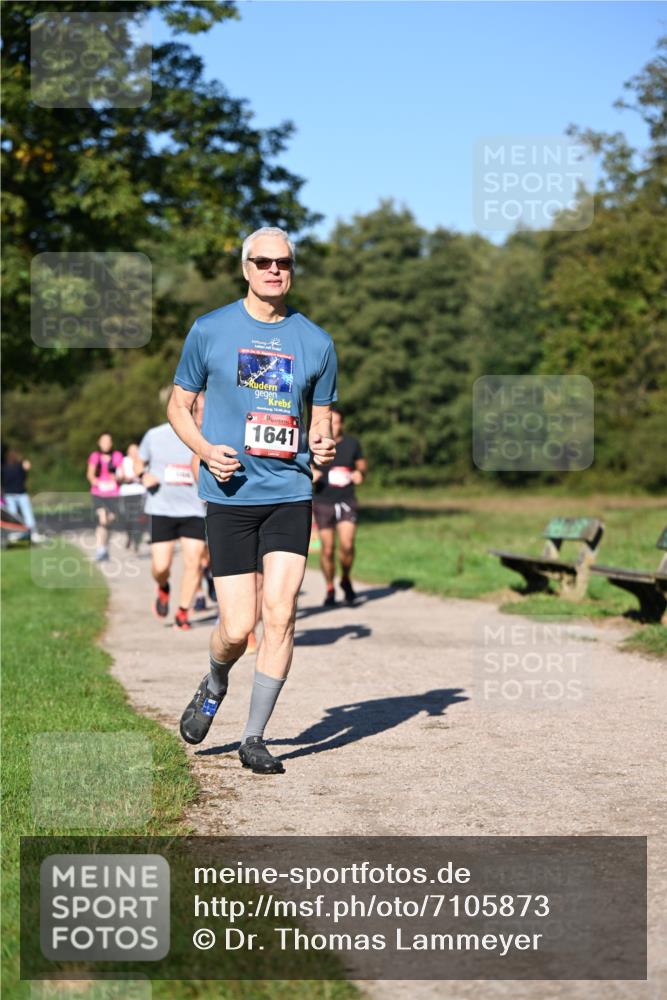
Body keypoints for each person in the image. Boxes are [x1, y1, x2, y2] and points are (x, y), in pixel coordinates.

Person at [168, 226, 337, 774]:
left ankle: (254, 737)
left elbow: (325, 418)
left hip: (290, 491)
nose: (273, 270)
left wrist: (324, 442)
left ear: (292, 269)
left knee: (281, 613)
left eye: (283, 262)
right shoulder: (210, 330)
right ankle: (214, 681)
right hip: (230, 492)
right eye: (262, 262)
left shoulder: (316, 341)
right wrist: (203, 449)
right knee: (237, 628)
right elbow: (178, 405)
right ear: (245, 268)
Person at [135, 390, 208, 631]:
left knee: (194, 562)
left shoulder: (205, 436)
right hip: (162, 508)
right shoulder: (155, 435)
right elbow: (138, 460)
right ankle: (163, 587)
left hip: (194, 508)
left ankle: (182, 612)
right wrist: (142, 475)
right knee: (160, 567)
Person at [312, 407, 367, 606]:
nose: (333, 426)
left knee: (347, 545)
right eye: (330, 422)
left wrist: (360, 473)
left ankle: (345, 578)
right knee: (327, 550)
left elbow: (361, 465)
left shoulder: (352, 443)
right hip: (323, 501)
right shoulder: (315, 444)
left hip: (346, 500)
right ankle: (329, 587)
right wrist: (312, 472)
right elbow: (303, 464)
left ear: (341, 424)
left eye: (336, 423)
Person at [86, 433, 123, 561]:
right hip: (99, 493)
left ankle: (105, 546)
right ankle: (100, 549)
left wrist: (117, 478)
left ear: (111, 443)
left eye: (108, 442)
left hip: (113, 493)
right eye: (103, 441)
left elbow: (121, 474)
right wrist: (97, 482)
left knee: (109, 520)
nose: (106, 444)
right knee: (102, 519)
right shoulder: (95, 457)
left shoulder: (117, 456)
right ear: (99, 443)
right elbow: (90, 475)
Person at [1, 447, 43, 542]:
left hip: (9, 494)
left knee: (13, 516)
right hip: (21, 493)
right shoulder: (20, 465)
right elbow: (28, 465)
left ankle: (14, 535)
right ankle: (33, 534)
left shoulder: (4, 468)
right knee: (28, 514)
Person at [119, 442, 147, 552]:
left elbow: (146, 475)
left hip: (139, 491)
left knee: (137, 517)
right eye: (132, 450)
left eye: (136, 450)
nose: (134, 452)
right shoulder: (124, 461)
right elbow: (119, 476)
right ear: (128, 451)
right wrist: (125, 478)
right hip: (126, 492)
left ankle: (136, 541)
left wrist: (138, 477)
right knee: (127, 517)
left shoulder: (142, 461)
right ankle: (129, 536)